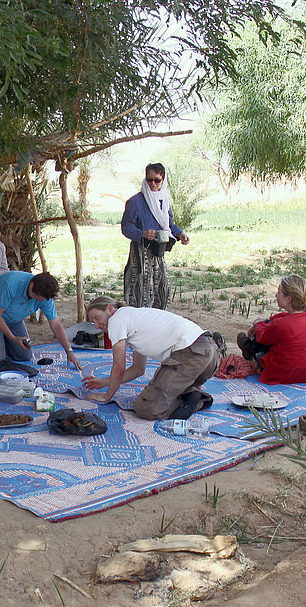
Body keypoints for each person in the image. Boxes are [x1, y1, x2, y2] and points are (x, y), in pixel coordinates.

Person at [83, 296, 220, 420]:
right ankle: (190, 393)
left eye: (97, 317)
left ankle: (194, 401)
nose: (96, 325)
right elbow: (138, 370)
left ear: (110, 309)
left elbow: (119, 368)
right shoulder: (133, 319)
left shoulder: (115, 320)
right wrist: (103, 382)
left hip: (191, 354)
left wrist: (106, 396)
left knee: (146, 408)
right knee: (170, 392)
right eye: (92, 322)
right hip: (209, 354)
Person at [0, 271, 81, 369]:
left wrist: (68, 350)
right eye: (38, 298)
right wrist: (12, 337)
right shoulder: (10, 283)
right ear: (31, 285)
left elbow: (55, 325)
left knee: (25, 355)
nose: (39, 302)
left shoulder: (45, 297)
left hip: (14, 318)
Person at [237, 274, 306, 385]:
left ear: (289, 298)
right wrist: (268, 320)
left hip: (286, 375)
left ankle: (250, 349)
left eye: (279, 292)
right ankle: (249, 348)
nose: (276, 295)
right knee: (269, 324)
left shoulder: (282, 325)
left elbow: (263, 337)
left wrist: (258, 324)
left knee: (266, 333)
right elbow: (286, 316)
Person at [121, 163, 190, 310]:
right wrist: (142, 234)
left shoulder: (164, 200)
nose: (153, 183)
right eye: (149, 180)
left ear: (163, 181)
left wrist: (180, 234)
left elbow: (169, 223)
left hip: (159, 252)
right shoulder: (135, 202)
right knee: (141, 290)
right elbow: (126, 227)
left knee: (162, 289)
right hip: (141, 253)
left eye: (157, 180)